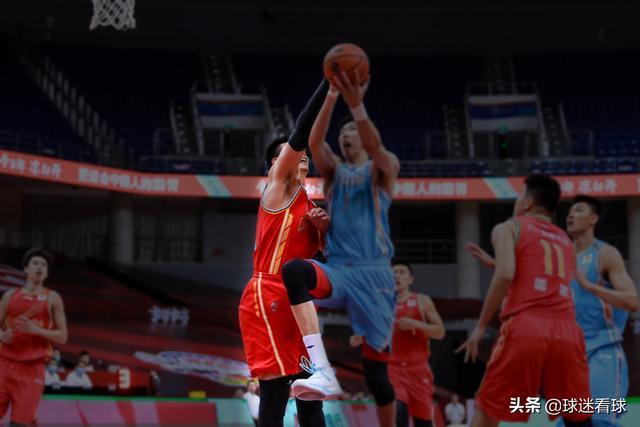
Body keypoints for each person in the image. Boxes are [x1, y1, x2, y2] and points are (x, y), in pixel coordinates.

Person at [280, 70, 400, 427]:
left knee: (376, 377)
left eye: (352, 133)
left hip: (374, 275)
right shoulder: (333, 173)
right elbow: (315, 142)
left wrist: (357, 106)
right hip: (339, 271)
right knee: (294, 272)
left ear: (365, 137)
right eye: (342, 133)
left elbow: (377, 148)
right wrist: (332, 94)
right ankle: (319, 368)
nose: (346, 137)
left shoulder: (383, 170)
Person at [466, 194, 639, 427]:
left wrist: (590, 286)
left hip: (602, 350)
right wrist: (498, 264)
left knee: (598, 419)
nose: (571, 215)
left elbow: (632, 301)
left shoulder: (606, 254)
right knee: (569, 422)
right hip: (569, 348)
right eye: (569, 211)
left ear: (593, 219)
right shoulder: (563, 252)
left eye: (579, 210)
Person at [456, 174, 592, 427]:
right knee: (577, 414)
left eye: (520, 196)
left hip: (527, 327)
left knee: (489, 409)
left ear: (527, 202)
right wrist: (496, 262)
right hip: (567, 331)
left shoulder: (509, 227)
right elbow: (543, 275)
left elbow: (506, 275)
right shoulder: (565, 241)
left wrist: (481, 327)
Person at [238, 79, 331, 427]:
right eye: (292, 152)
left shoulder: (311, 207)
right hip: (267, 294)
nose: (301, 154)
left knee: (310, 394)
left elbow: (325, 263)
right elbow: (302, 130)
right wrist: (328, 85)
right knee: (276, 392)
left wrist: (324, 232)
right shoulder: (276, 189)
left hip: (298, 301)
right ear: (275, 165)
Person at [0, 248, 68, 427]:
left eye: (43, 265)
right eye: (35, 263)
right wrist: (1, 336)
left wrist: (38, 330)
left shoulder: (53, 298)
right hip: (3, 365)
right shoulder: (9, 296)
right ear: (26, 269)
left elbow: (63, 336)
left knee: (20, 424)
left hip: (31, 370)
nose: (40, 267)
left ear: (46, 273)